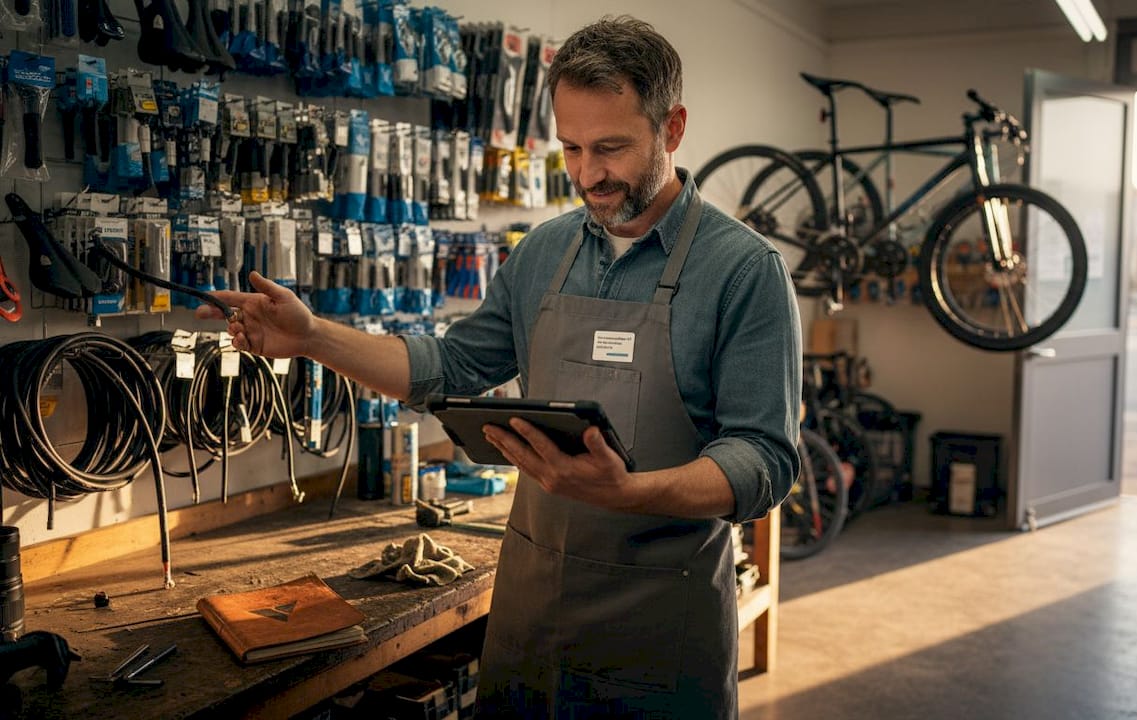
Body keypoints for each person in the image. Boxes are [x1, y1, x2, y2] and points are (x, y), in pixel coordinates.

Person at [198, 14, 801, 718]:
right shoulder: (544, 252)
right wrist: (312, 338)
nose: (588, 175)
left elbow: (763, 459)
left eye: (611, 148)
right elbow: (450, 366)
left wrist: (628, 492)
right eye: (571, 148)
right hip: (531, 616)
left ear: (672, 129)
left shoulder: (744, 271)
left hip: (658, 632)